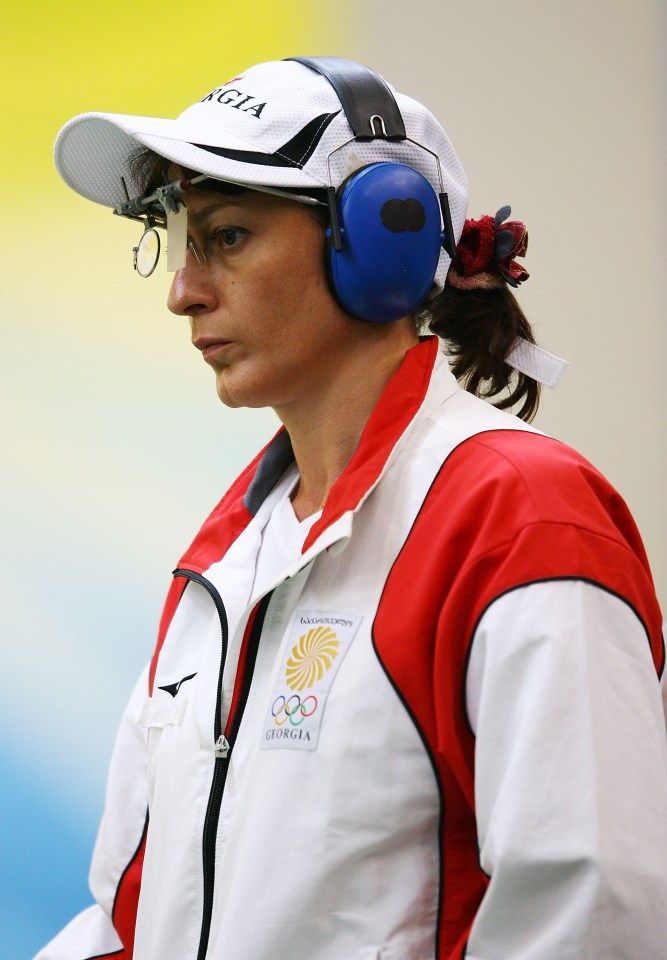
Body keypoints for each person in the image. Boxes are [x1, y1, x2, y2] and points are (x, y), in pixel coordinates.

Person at [38, 56, 666, 960]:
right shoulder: (223, 561)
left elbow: (591, 918)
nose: (183, 292)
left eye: (227, 237)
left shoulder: (522, 519)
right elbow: (126, 921)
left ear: (383, 242)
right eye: (183, 244)